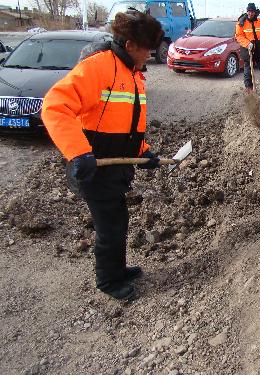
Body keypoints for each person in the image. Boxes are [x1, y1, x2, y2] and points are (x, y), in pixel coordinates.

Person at [41, 9, 164, 300]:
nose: (150, 55)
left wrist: (143, 153)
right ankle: (108, 281)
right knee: (110, 226)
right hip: (94, 165)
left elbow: (127, 122)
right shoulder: (99, 67)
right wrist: (78, 153)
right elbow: (55, 106)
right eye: (148, 49)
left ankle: (117, 270)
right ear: (131, 45)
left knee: (117, 221)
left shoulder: (132, 72)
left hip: (116, 167)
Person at [235, 3, 260, 92]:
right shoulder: (241, 23)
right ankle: (249, 89)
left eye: (252, 11)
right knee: (248, 72)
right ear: (247, 11)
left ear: (255, 12)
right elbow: (239, 36)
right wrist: (247, 43)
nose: (250, 13)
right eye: (249, 11)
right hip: (248, 49)